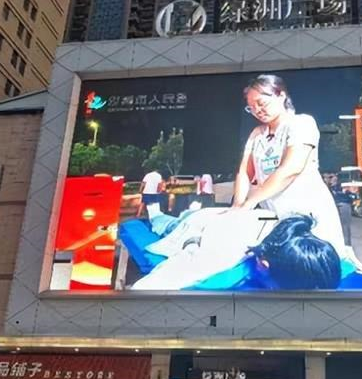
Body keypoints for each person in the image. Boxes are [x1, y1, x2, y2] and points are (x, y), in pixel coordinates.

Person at [233, 75, 346, 256]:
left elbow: (290, 169)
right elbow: (244, 173)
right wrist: (237, 207)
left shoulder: (301, 123)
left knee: (311, 261)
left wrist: (251, 202)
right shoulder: (257, 134)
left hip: (307, 214)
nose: (257, 110)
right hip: (275, 217)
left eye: (261, 103)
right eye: (251, 107)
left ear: (280, 95)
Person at [133, 209, 341, 292]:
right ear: (263, 266)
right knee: (164, 224)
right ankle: (156, 214)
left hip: (229, 216)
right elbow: (142, 290)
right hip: (196, 225)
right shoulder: (219, 257)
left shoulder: (299, 234)